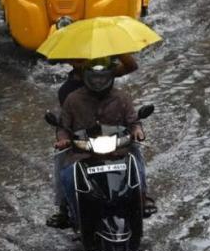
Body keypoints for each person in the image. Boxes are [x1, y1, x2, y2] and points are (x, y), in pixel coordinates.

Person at [46, 58, 155, 229]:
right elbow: (63, 127)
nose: (98, 81)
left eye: (102, 77)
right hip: (83, 151)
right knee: (65, 172)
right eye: (94, 78)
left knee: (136, 155)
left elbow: (134, 122)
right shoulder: (72, 99)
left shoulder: (122, 98)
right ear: (85, 76)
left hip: (118, 148)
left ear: (111, 77)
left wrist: (137, 131)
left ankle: (142, 197)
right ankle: (64, 209)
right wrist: (63, 140)